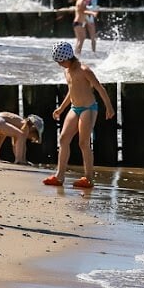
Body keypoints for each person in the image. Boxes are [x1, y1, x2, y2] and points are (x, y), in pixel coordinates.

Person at [42, 41, 115, 189]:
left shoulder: (84, 70)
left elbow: (100, 89)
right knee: (63, 139)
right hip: (75, 108)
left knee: (83, 143)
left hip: (88, 108)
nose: (59, 64)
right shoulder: (66, 71)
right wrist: (61, 109)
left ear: (68, 58)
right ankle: (59, 176)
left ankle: (88, 178)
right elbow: (71, 90)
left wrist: (109, 107)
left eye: (60, 61)